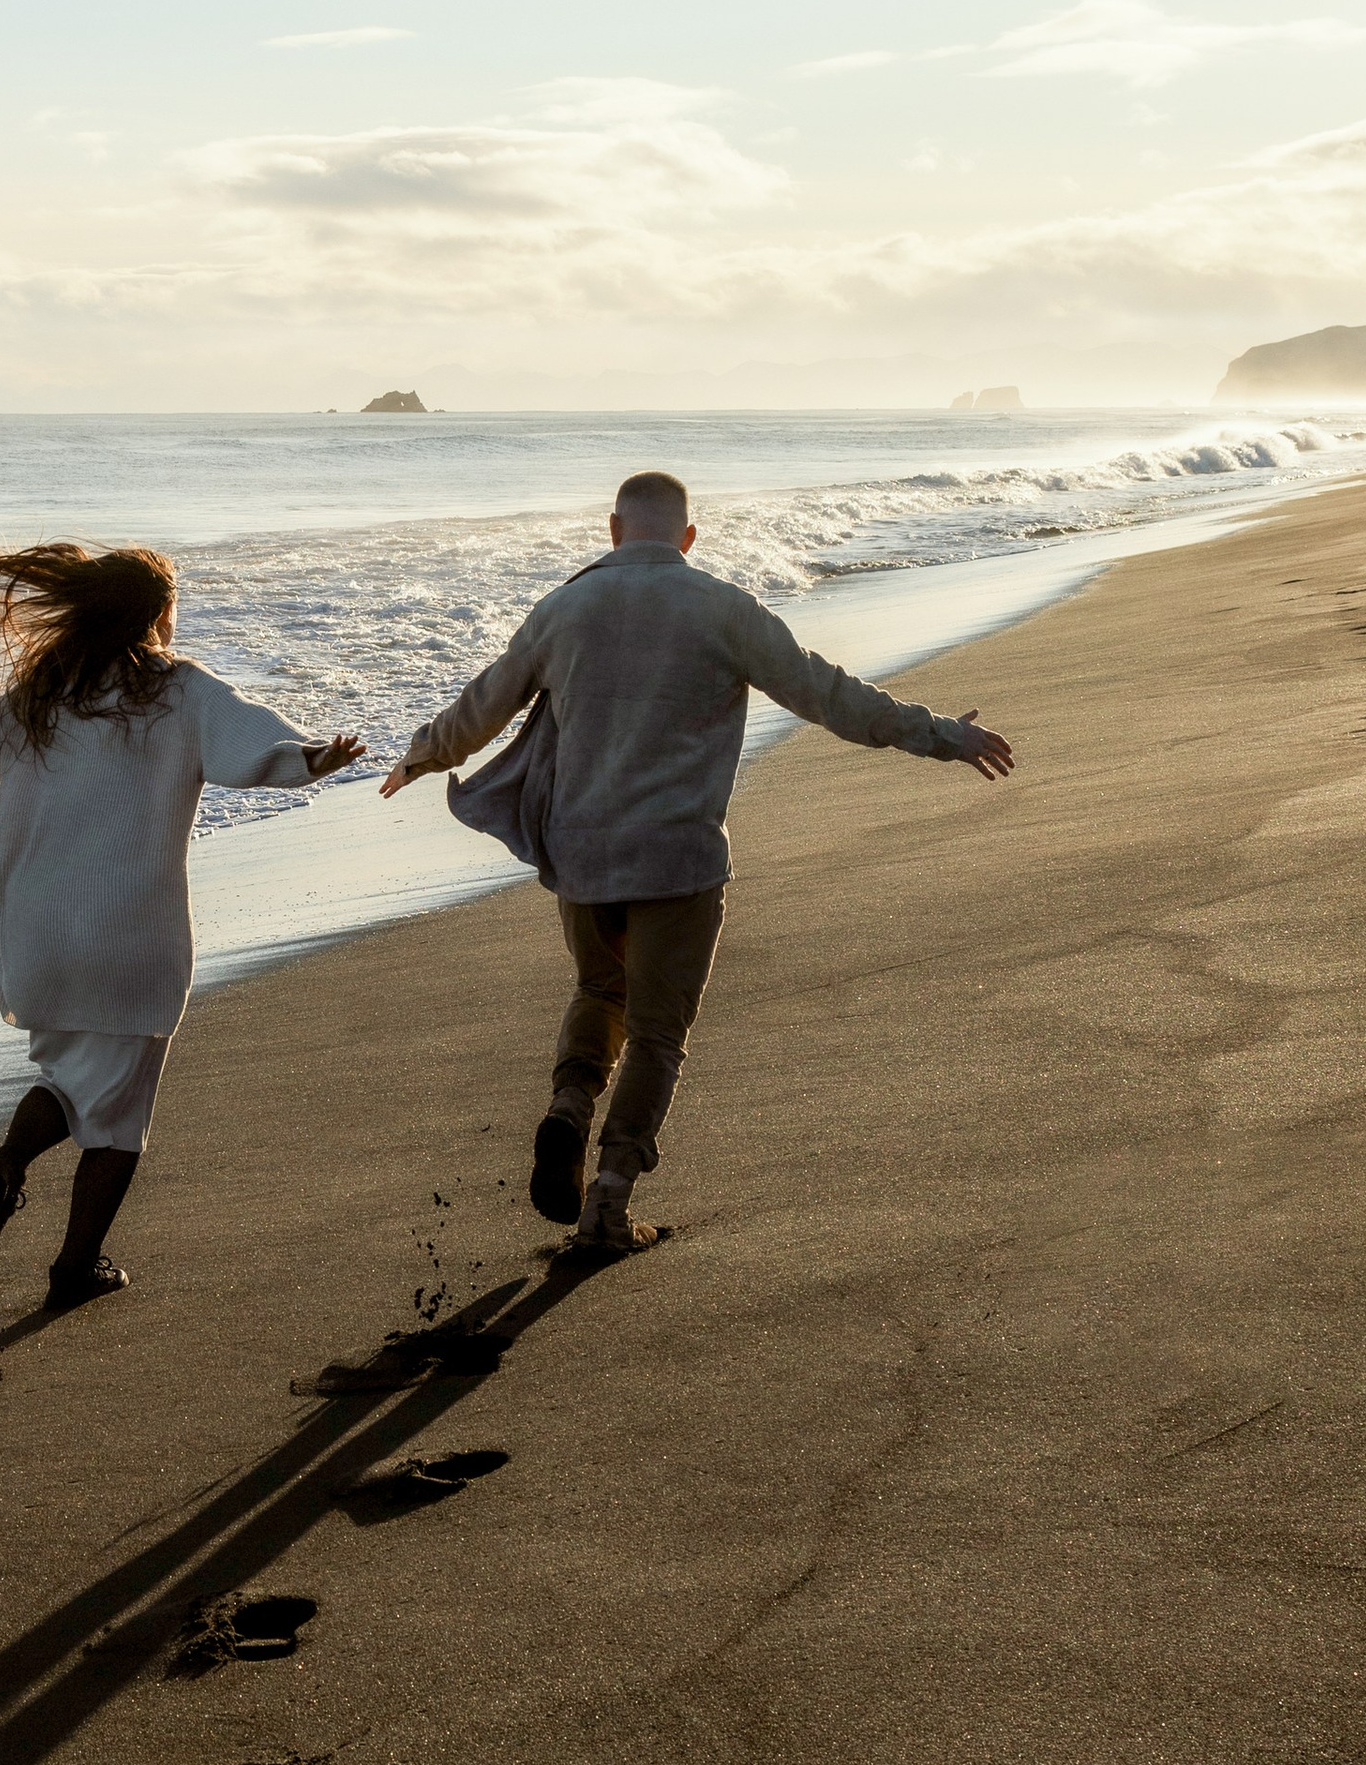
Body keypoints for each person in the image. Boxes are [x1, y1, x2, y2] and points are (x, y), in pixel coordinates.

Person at [380, 469, 1014, 1255]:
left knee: (597, 989)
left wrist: (420, 756)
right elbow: (830, 695)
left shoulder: (562, 609)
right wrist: (942, 735)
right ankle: (608, 1204)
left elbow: (485, 703)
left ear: (614, 531)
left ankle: (570, 1106)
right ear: (687, 539)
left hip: (582, 854)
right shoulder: (725, 610)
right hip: (677, 860)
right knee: (657, 1032)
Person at [0, 543, 362, 1308]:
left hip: (40, 938)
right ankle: (74, 1266)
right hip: (130, 937)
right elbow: (251, 747)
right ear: (157, 615)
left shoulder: (38, 696)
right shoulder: (180, 691)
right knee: (119, 1117)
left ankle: (6, 1164)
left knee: (68, 1078)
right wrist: (308, 757)